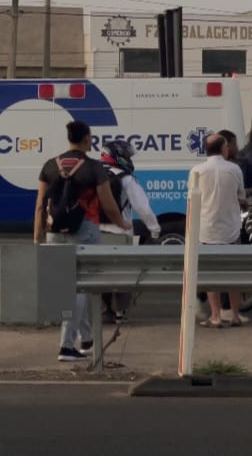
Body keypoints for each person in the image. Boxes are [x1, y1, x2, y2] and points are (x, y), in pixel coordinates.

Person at [34, 121, 131, 362]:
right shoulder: (93, 168)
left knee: (74, 285)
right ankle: (66, 347)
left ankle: (86, 338)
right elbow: (108, 203)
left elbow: (39, 205)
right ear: (87, 139)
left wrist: (37, 236)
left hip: (55, 231)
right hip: (85, 230)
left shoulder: (49, 166)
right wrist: (122, 223)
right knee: (78, 287)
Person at [98, 139, 161, 324]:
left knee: (99, 274)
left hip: (94, 233)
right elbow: (143, 208)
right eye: (126, 155)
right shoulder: (125, 178)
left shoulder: (95, 175)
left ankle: (105, 310)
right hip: (120, 233)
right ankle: (120, 312)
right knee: (122, 274)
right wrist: (155, 231)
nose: (128, 159)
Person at [192, 134, 248, 328]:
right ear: (224, 149)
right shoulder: (234, 170)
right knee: (234, 273)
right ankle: (234, 315)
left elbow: (192, 200)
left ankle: (215, 316)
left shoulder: (196, 171)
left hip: (206, 231)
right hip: (230, 230)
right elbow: (241, 196)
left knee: (209, 274)